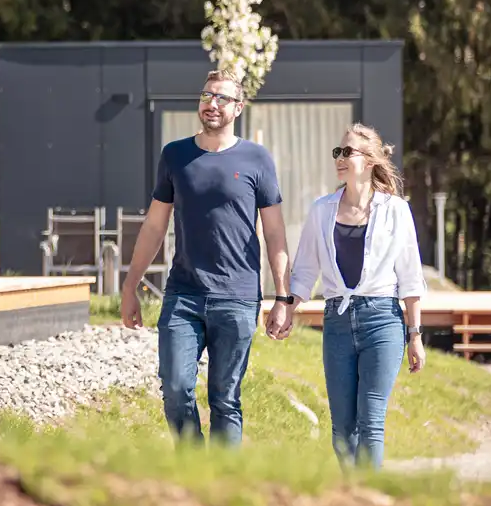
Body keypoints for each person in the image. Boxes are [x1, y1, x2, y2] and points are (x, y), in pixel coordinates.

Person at [121, 68, 293, 447]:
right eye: (206, 95)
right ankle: (193, 465)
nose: (211, 104)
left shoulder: (257, 158)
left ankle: (220, 478)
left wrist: (283, 297)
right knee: (175, 388)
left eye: (222, 98)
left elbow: (275, 232)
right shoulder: (176, 155)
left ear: (238, 108)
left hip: (238, 297)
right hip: (184, 294)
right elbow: (154, 226)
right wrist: (130, 285)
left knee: (225, 399)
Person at [284, 123, 426, 471]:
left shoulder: (395, 210)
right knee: (342, 429)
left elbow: (410, 277)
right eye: (338, 151)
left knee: (371, 423)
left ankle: (367, 498)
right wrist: (287, 307)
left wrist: (415, 335)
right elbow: (305, 269)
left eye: (348, 152)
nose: (340, 158)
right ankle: (352, 492)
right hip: (337, 321)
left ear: (371, 160)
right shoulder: (322, 210)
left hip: (382, 321)